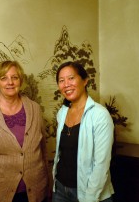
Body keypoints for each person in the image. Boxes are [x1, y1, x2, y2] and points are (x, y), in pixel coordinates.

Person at [0, 60, 49, 202]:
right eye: (3, 78)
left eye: (14, 77)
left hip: (35, 191)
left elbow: (43, 149)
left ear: (20, 81)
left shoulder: (35, 109)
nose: (10, 82)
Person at [52, 61, 114, 202]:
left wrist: (90, 198)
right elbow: (61, 153)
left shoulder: (100, 115)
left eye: (71, 78)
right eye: (61, 81)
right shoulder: (62, 112)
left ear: (85, 80)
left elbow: (101, 164)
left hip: (90, 193)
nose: (66, 84)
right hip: (61, 189)